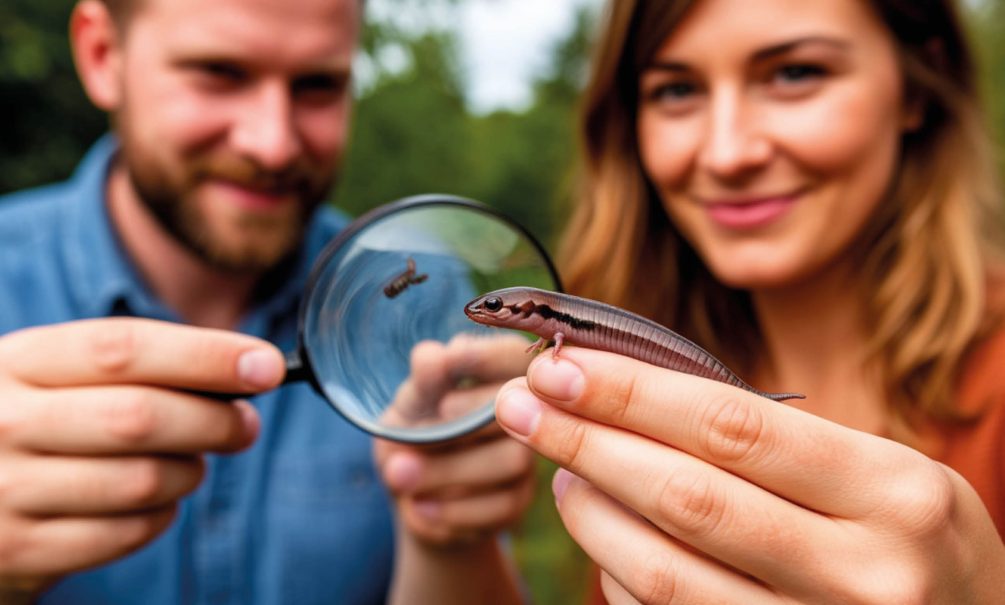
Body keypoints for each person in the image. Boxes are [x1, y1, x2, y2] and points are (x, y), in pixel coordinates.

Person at [0, 0, 535, 603]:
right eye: (219, 73)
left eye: (317, 86)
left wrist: (450, 541)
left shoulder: (431, 306)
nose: (273, 145)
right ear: (102, 55)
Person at [493, 0, 1005, 602]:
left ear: (918, 84)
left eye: (796, 73)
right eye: (677, 89)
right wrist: (451, 543)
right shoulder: (638, 422)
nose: (727, 153)